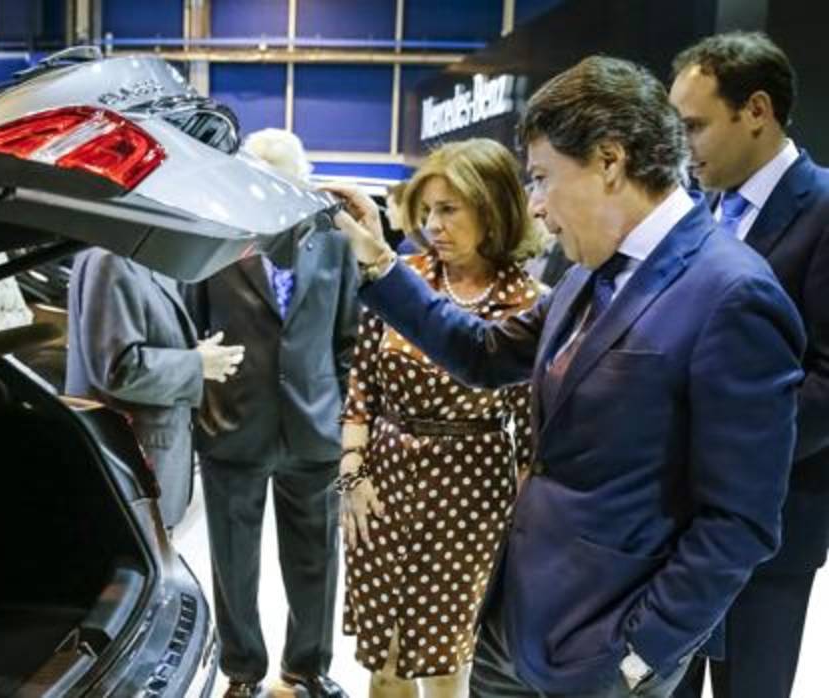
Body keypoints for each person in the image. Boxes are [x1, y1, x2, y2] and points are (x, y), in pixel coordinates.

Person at [328, 55, 804, 698]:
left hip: (605, 653)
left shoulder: (733, 294)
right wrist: (381, 262)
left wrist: (643, 657)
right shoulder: (586, 273)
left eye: (544, 178)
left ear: (610, 162)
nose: (538, 207)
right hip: (515, 625)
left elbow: (740, 522)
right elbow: (485, 352)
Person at [337, 139, 543, 698]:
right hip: (382, 485)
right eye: (427, 211)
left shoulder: (527, 301)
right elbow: (362, 386)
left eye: (449, 209)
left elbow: (530, 436)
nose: (433, 225)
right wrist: (352, 477)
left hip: (469, 500)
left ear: (492, 208)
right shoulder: (401, 280)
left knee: (449, 654)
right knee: (386, 654)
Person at [668, 31, 829, 698]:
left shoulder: (823, 209)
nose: (684, 146)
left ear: (756, 111)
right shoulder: (696, 213)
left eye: (696, 126)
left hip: (774, 524)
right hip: (678, 526)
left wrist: (719, 452)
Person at [183, 128, 358, 698]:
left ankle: (307, 667)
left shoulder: (333, 241)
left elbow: (346, 338)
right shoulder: (214, 241)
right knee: (234, 563)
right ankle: (243, 671)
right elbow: (194, 328)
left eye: (282, 182)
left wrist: (344, 413)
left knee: (315, 560)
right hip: (232, 423)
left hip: (315, 426)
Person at [65, 248, 243, 527]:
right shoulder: (111, 259)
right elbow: (117, 370)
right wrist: (196, 364)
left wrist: (195, 354)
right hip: (130, 463)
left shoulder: (144, 258)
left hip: (150, 459)